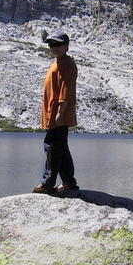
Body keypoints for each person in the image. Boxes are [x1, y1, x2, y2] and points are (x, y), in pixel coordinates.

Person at [32, 32, 79, 194]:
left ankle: (47, 183)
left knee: (52, 147)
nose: (54, 48)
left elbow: (67, 89)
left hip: (59, 115)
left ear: (66, 46)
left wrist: (60, 112)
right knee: (61, 149)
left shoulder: (67, 64)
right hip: (53, 114)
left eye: (58, 44)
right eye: (51, 45)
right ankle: (69, 183)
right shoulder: (58, 62)